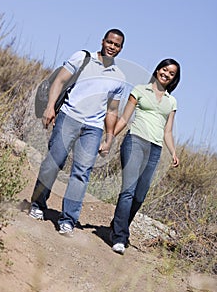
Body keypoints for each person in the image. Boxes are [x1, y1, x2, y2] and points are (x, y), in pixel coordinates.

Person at [29, 28, 126, 236]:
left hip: (93, 128)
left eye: (117, 45)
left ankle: (68, 219)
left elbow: (112, 110)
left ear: (121, 48)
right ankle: (37, 204)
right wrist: (49, 107)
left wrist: (109, 138)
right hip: (68, 117)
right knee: (53, 163)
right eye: (110, 42)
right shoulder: (82, 58)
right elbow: (60, 81)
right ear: (103, 41)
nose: (112, 47)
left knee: (81, 173)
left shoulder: (119, 78)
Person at [110, 58, 181, 255]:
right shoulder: (140, 90)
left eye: (171, 73)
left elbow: (168, 131)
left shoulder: (171, 101)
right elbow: (125, 118)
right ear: (158, 69)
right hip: (135, 141)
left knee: (140, 195)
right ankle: (120, 236)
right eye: (164, 69)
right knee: (128, 191)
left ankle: (117, 225)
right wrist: (109, 138)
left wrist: (173, 151)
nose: (166, 74)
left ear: (174, 79)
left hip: (155, 149)